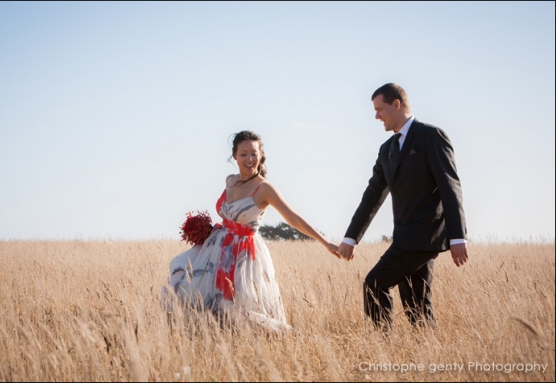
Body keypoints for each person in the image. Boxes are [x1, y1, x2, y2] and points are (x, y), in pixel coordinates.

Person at [161, 130, 339, 332]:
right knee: (186, 290)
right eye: (243, 154)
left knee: (238, 308)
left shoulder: (264, 189)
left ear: (261, 155)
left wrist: (325, 242)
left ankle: (285, 338)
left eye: (254, 153)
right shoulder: (230, 180)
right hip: (216, 248)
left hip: (243, 254)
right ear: (234, 156)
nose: (249, 159)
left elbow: (293, 218)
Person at [337, 83, 468, 330]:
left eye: (380, 109)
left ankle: (381, 348)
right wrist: (351, 238)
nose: (376, 116)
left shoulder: (431, 136)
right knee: (417, 307)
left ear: (396, 104)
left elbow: (450, 187)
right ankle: (425, 356)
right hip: (405, 236)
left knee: (375, 283)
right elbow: (372, 196)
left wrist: (458, 237)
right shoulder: (387, 149)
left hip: (426, 236)